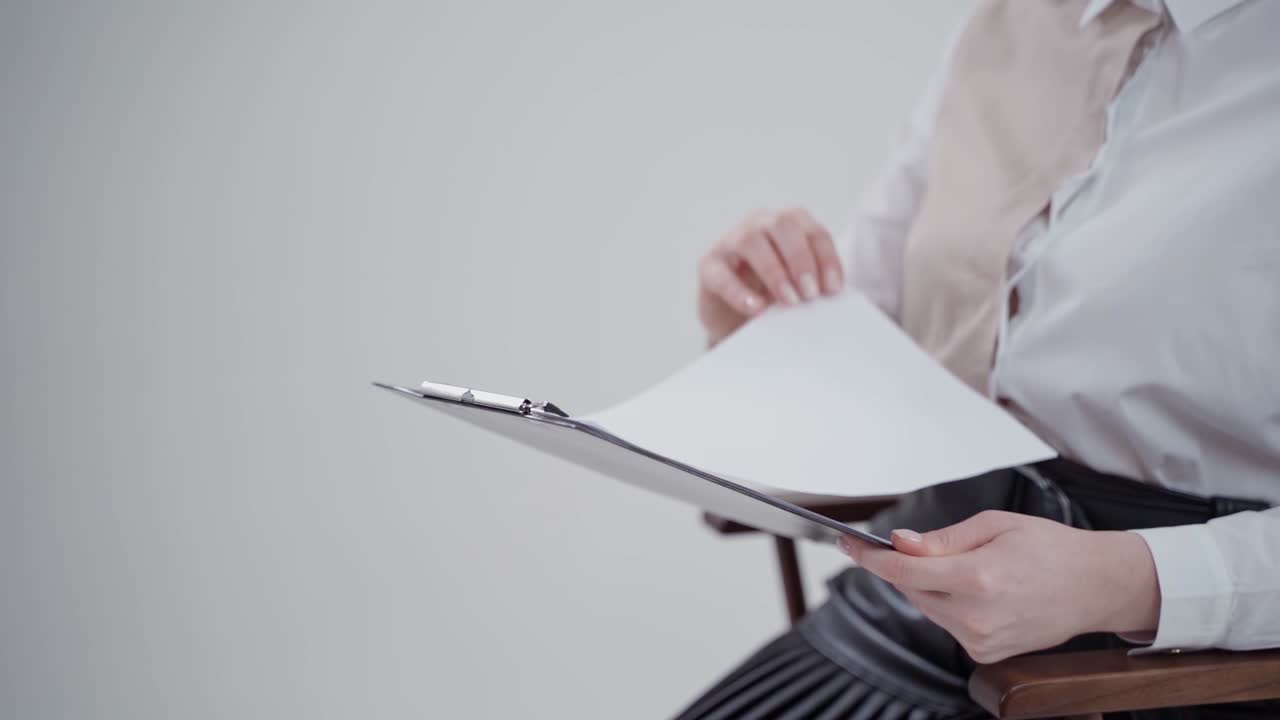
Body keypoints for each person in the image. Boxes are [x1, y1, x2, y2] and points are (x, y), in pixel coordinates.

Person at [678, 1, 1280, 718]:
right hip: (907, 624)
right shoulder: (1011, 20)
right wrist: (762, 321)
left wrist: (1128, 583)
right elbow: (869, 319)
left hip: (1181, 676)